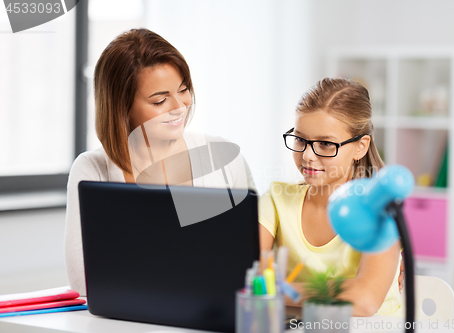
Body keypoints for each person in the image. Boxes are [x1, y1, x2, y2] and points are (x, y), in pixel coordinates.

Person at [64, 28, 255, 296]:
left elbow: (252, 262)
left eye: (184, 89)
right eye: (160, 100)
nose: (179, 106)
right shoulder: (92, 169)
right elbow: (83, 280)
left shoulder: (223, 158)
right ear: (122, 107)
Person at [258, 78, 404, 317]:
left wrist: (279, 292)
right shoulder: (276, 200)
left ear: (360, 147)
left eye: (326, 144)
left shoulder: (380, 210)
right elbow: (250, 284)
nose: (308, 156)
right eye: (300, 140)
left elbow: (365, 300)